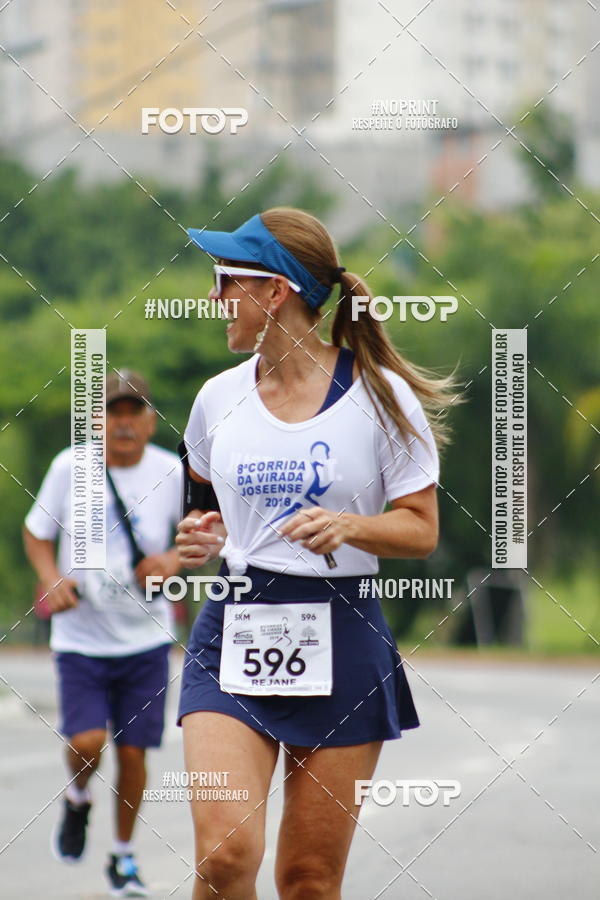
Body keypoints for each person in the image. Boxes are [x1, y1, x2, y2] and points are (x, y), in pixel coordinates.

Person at [175, 208, 457, 899]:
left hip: (343, 633)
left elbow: (420, 529)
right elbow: (202, 510)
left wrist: (350, 527)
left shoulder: (381, 397)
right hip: (235, 629)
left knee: (307, 880)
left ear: (275, 292)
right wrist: (203, 538)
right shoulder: (217, 400)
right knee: (224, 858)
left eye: (226, 281)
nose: (214, 298)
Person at [23, 370, 182, 898]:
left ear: (151, 419)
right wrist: (51, 580)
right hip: (81, 637)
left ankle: (123, 856)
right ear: (98, 421)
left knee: (134, 753)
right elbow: (37, 532)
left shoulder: (173, 473)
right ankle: (77, 797)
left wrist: (171, 560)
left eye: (134, 410)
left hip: (146, 638)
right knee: (88, 742)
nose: (124, 421)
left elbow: (205, 535)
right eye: (113, 411)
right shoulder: (71, 468)